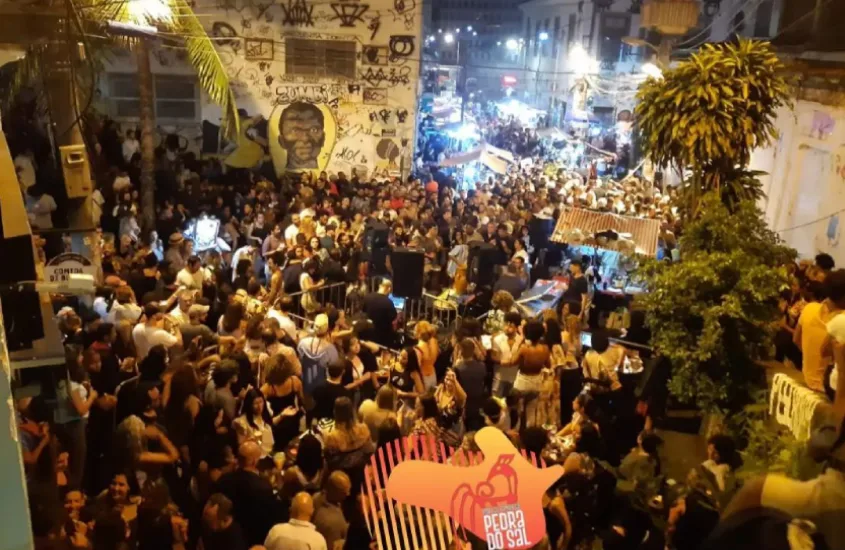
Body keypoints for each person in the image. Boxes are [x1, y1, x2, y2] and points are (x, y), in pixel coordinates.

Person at [214, 441, 280, 547]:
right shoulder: (264, 488)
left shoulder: (223, 480)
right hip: (254, 539)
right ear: (254, 461)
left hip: (227, 538)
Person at [312, 471, 351, 550]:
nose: (348, 494)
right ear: (334, 491)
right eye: (345, 491)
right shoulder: (333, 522)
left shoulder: (315, 497)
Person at [454, 338, 487, 431]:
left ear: (460, 351)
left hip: (463, 403)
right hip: (477, 401)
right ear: (473, 351)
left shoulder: (458, 368)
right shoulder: (482, 366)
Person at [233, 388, 275, 458]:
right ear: (249, 404)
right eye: (255, 403)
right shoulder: (241, 422)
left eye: (261, 402)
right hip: (254, 458)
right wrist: (249, 441)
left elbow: (268, 424)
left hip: (269, 454)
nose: (259, 407)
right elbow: (240, 447)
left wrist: (281, 415)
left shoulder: (264, 414)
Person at [492, 311, 523, 398]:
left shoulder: (521, 340)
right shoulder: (497, 339)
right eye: (506, 324)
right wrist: (502, 362)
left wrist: (515, 362)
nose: (507, 327)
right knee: (496, 402)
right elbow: (493, 357)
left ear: (516, 327)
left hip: (515, 378)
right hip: (499, 377)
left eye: (511, 325)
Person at [363, 279, 397, 348]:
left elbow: (363, 311)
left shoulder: (367, 297)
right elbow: (393, 318)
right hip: (383, 336)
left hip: (368, 332)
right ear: (389, 289)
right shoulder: (389, 302)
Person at [414, 321, 439, 390]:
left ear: (418, 333)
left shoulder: (418, 348)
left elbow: (416, 367)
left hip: (423, 378)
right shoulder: (434, 341)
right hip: (433, 375)